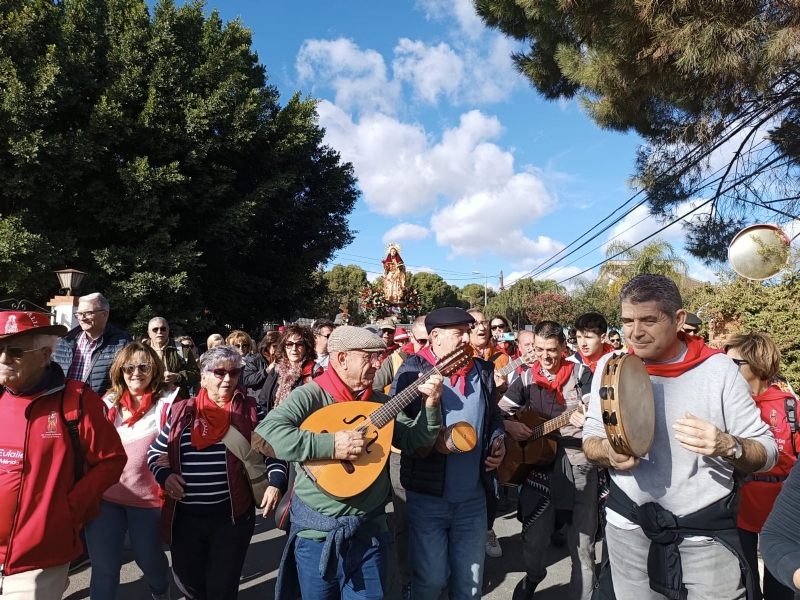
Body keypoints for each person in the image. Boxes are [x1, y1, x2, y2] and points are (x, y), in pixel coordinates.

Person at [582, 274, 778, 600]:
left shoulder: (718, 370)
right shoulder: (610, 364)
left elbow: (768, 452)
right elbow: (591, 439)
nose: (635, 332)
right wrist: (608, 451)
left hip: (705, 536)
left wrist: (729, 445)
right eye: (627, 321)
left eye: (648, 320)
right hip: (628, 527)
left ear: (679, 320)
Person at [254, 326, 443, 600]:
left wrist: (431, 406)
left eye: (380, 356)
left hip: (369, 532)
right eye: (369, 357)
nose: (378, 364)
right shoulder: (311, 395)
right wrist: (330, 445)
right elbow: (265, 436)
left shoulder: (379, 402)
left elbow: (417, 443)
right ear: (342, 359)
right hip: (317, 534)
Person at [0, 311, 126, 599]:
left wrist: (67, 510)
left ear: (45, 354)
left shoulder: (78, 400)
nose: (4, 359)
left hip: (40, 559)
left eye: (15, 351)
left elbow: (111, 460)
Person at [148, 345, 285, 600]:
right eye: (219, 372)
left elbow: (273, 454)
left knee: (223, 586)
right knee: (186, 580)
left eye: (234, 373)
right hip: (185, 516)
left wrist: (276, 482)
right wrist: (164, 476)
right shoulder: (181, 412)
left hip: (231, 516)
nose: (227, 379)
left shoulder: (252, 411)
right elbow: (155, 454)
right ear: (203, 377)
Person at [392, 307, 506, 599]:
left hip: (473, 499)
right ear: (435, 336)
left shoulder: (483, 371)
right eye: (460, 333)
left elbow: (494, 417)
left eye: (468, 332)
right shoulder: (410, 371)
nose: (467, 338)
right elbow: (396, 428)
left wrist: (498, 441)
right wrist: (430, 433)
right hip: (428, 499)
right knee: (430, 581)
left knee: (469, 588)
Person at [505, 321, 598, 600]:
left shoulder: (582, 374)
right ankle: (534, 576)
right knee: (533, 539)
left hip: (578, 462)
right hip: (538, 466)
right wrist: (510, 427)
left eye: (552, 350)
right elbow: (501, 413)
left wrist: (589, 417)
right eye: (540, 349)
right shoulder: (525, 378)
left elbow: (597, 407)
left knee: (583, 546)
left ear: (563, 348)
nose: (545, 356)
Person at [84, 342, 178, 600]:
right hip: (105, 500)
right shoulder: (107, 402)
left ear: (154, 369)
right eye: (130, 367)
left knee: (149, 561)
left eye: (144, 366)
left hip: (148, 503)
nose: (136, 372)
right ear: (120, 371)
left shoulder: (169, 403)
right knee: (103, 569)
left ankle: (160, 592)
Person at [724, 333, 798, 600]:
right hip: (739, 507)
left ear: (757, 364)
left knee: (781, 584)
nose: (724, 368)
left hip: (781, 510)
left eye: (733, 363)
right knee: (746, 580)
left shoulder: (790, 406)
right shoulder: (729, 404)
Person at [466, 308, 509, 558]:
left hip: (492, 426)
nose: (481, 328)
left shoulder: (502, 358)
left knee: (492, 484)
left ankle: (488, 529)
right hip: (465, 432)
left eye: (485, 323)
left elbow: (512, 397)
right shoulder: (459, 357)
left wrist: (502, 389)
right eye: (475, 324)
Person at [54, 292, 131, 397]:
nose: (82, 318)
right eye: (79, 314)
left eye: (88, 313)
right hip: (64, 407)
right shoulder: (64, 342)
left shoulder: (122, 344)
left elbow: (127, 383)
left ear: (104, 314)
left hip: (100, 409)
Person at [259, 325, 317, 412]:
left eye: (299, 345)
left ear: (307, 347)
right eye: (289, 344)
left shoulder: (314, 372)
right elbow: (264, 399)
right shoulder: (277, 369)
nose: (294, 349)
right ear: (284, 347)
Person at [145, 317, 200, 399]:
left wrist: (179, 377)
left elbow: (196, 376)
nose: (159, 332)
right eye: (155, 329)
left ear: (168, 331)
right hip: (149, 400)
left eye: (163, 329)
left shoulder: (182, 349)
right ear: (149, 333)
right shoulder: (141, 350)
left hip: (176, 401)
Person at [242, 331, 280, 398]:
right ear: (268, 347)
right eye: (274, 346)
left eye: (280, 346)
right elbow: (247, 380)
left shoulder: (283, 360)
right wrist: (266, 371)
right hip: (258, 401)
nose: (277, 349)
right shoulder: (255, 359)